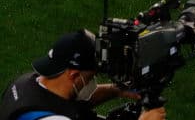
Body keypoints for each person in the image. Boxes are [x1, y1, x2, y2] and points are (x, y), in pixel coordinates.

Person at [0, 30, 166, 120]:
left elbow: (71, 102)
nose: (91, 82)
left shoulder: (27, 83)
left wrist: (115, 90)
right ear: (73, 74)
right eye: (90, 77)